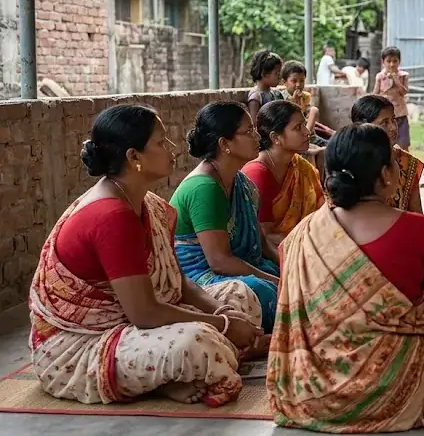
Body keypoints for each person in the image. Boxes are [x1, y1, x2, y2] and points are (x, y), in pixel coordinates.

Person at [267, 124, 424, 432]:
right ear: (386, 175)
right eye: (395, 164)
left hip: (311, 394)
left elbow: (292, 323)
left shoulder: (299, 236)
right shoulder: (419, 230)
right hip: (398, 390)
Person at [29, 105, 264, 407]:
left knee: (240, 295)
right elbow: (145, 313)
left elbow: (178, 282)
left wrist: (223, 313)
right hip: (81, 345)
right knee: (198, 343)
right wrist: (225, 327)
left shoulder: (146, 203)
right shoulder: (112, 216)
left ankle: (173, 374)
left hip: (135, 321)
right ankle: (164, 379)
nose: (172, 148)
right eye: (161, 142)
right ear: (133, 157)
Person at [171, 102, 281, 334]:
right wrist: (275, 281)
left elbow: (261, 243)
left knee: (291, 277)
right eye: (248, 132)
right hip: (198, 276)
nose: (257, 137)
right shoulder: (204, 188)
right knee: (263, 289)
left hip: (237, 265)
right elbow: (219, 261)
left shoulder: (241, 182)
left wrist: (286, 267)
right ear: (225, 144)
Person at [349, 94, 424, 245]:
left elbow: (417, 214)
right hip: (365, 238)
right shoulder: (352, 162)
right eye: (384, 122)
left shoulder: (407, 162)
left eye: (393, 120)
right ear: (363, 127)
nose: (392, 127)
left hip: (403, 233)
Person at [242, 100, 324, 250]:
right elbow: (264, 238)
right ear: (275, 138)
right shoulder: (257, 174)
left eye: (304, 125)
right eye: (298, 127)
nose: (307, 131)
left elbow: (321, 211)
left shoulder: (301, 167)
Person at [280, 60, 334, 147]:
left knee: (314, 110)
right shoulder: (281, 97)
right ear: (284, 82)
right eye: (294, 81)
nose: (298, 84)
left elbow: (307, 113)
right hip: (293, 132)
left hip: (308, 131)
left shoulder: (305, 96)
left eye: (302, 81)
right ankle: (304, 136)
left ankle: (307, 134)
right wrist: (294, 103)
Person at [372, 46, 411, 150]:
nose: (391, 64)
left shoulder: (403, 76)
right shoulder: (380, 76)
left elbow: (404, 92)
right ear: (383, 62)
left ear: (399, 62)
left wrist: (396, 79)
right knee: (385, 144)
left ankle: (404, 165)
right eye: (388, 61)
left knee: (403, 144)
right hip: (385, 117)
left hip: (400, 115)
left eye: (395, 61)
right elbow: (375, 94)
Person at [246, 49, 284, 125]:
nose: (280, 76)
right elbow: (254, 126)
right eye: (277, 73)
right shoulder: (256, 97)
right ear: (264, 74)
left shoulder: (277, 94)